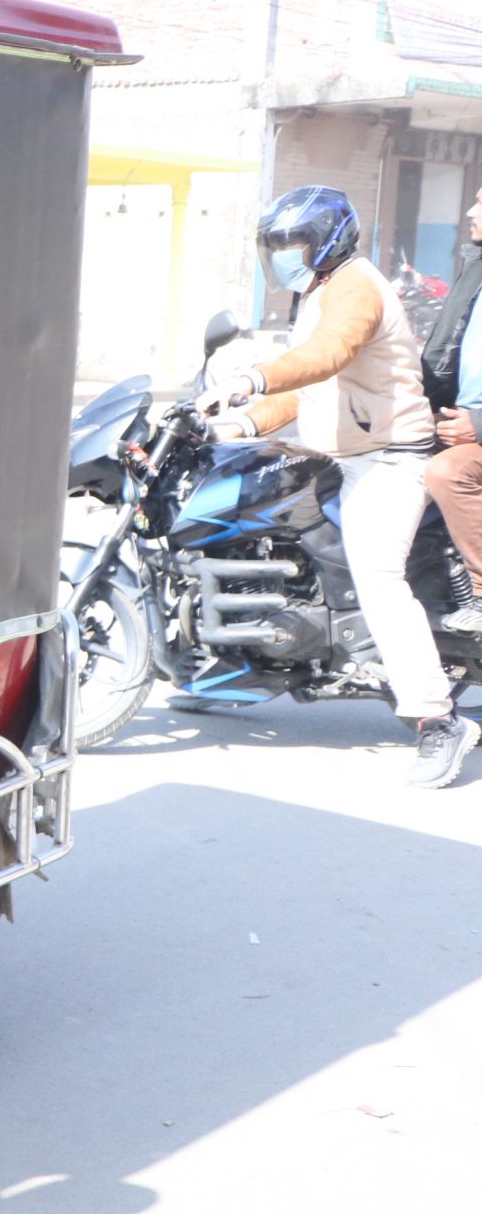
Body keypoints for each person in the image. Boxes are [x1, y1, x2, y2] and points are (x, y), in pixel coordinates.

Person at [205, 185, 473, 787]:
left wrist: (251, 377)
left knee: (378, 575)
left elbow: (329, 354)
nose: (285, 255)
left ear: (327, 240)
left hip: (388, 458)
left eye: (294, 243)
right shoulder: (318, 291)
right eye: (276, 246)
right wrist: (236, 423)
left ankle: (437, 720)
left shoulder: (354, 285)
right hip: (339, 451)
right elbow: (307, 389)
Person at [422, 183, 482, 640]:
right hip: (457, 421)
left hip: (473, 434)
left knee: (448, 473)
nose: (469, 210)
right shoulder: (475, 273)